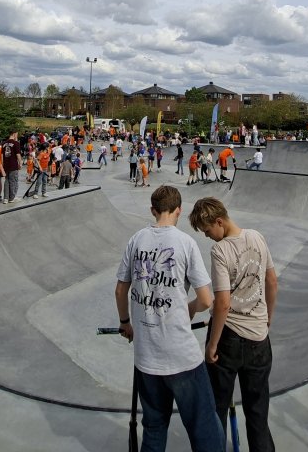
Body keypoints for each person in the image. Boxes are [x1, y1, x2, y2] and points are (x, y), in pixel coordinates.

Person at [115, 185, 224, 451]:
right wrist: (190, 307)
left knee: (153, 427)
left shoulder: (136, 240)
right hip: (182, 358)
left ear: (153, 210)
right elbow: (207, 300)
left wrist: (125, 323)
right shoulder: (185, 243)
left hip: (146, 359)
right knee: (203, 426)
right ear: (179, 210)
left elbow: (120, 289)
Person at [189, 197, 277, 451]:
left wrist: (212, 344)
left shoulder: (221, 250)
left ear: (219, 221)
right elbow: (272, 281)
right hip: (260, 338)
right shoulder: (257, 237)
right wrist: (268, 316)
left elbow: (223, 303)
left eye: (207, 231)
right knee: (258, 414)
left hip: (228, 340)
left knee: (217, 408)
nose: (207, 237)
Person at [1, 131, 24, 204]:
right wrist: (20, 163)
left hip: (6, 165)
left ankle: (6, 198)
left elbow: (2, 156)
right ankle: (12, 198)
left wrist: (2, 165)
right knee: (13, 181)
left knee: (7, 181)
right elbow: (18, 154)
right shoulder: (16, 143)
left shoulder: (3, 143)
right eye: (17, 134)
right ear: (14, 134)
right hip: (13, 165)